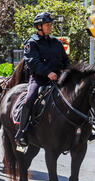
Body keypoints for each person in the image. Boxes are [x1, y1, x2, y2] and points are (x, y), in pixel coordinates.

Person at [14, 12, 70, 148]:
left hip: (58, 79)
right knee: (30, 99)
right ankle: (21, 132)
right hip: (39, 79)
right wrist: (47, 72)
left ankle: (86, 126)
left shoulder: (56, 42)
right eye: (47, 25)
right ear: (39, 26)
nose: (50, 27)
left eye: (51, 25)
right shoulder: (31, 43)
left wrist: (67, 73)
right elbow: (33, 62)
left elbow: (65, 60)